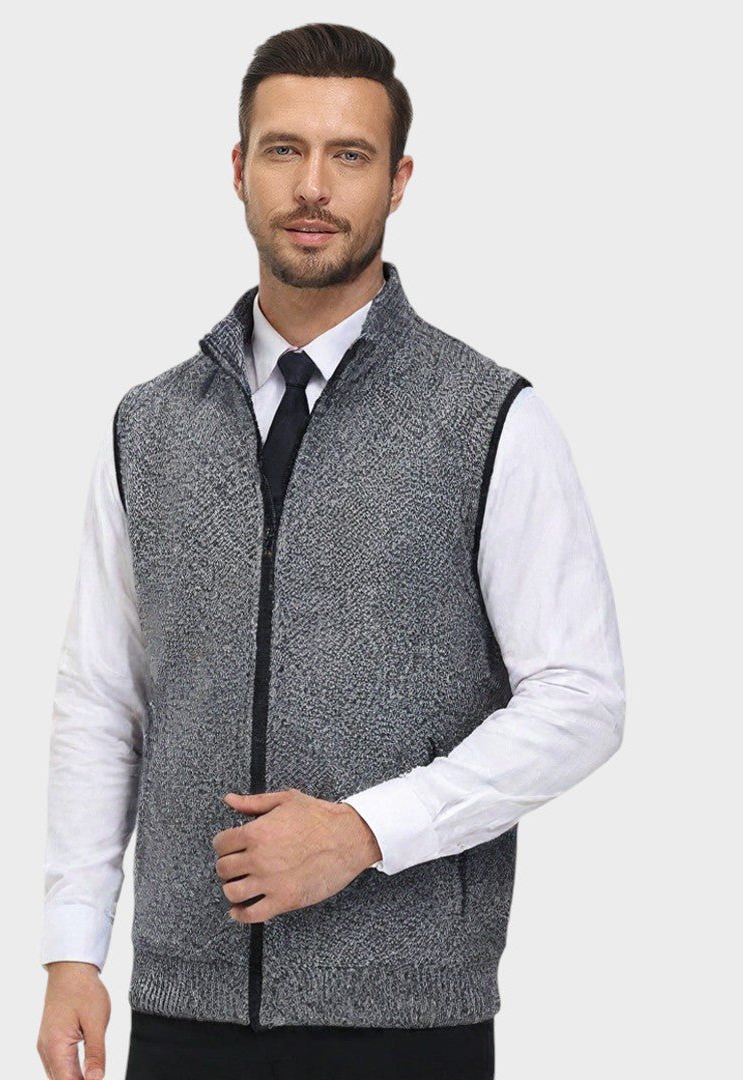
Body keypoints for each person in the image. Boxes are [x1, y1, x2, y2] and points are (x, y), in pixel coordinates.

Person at [36, 21, 626, 1080]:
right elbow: (103, 696)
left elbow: (581, 698)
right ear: (238, 169)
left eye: (349, 155)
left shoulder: (489, 419)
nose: (313, 186)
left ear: (398, 181)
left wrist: (365, 831)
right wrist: (74, 948)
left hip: (408, 1020)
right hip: (182, 1008)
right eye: (285, 150)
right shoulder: (149, 427)